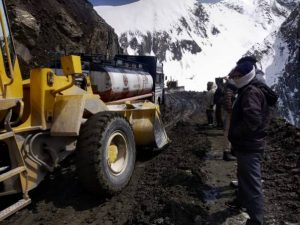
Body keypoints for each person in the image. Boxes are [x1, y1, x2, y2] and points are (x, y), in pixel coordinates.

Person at [227, 60, 278, 225]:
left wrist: (236, 132)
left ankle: (257, 221)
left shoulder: (250, 92)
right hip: (249, 145)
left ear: (245, 76)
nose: (234, 78)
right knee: (244, 178)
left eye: (237, 76)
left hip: (249, 146)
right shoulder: (248, 89)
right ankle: (241, 202)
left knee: (252, 185)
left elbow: (253, 120)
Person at [222, 77, 237, 161]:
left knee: (230, 131)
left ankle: (231, 150)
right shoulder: (231, 86)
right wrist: (230, 110)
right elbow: (228, 99)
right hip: (230, 112)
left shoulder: (231, 85)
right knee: (228, 131)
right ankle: (226, 152)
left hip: (230, 111)